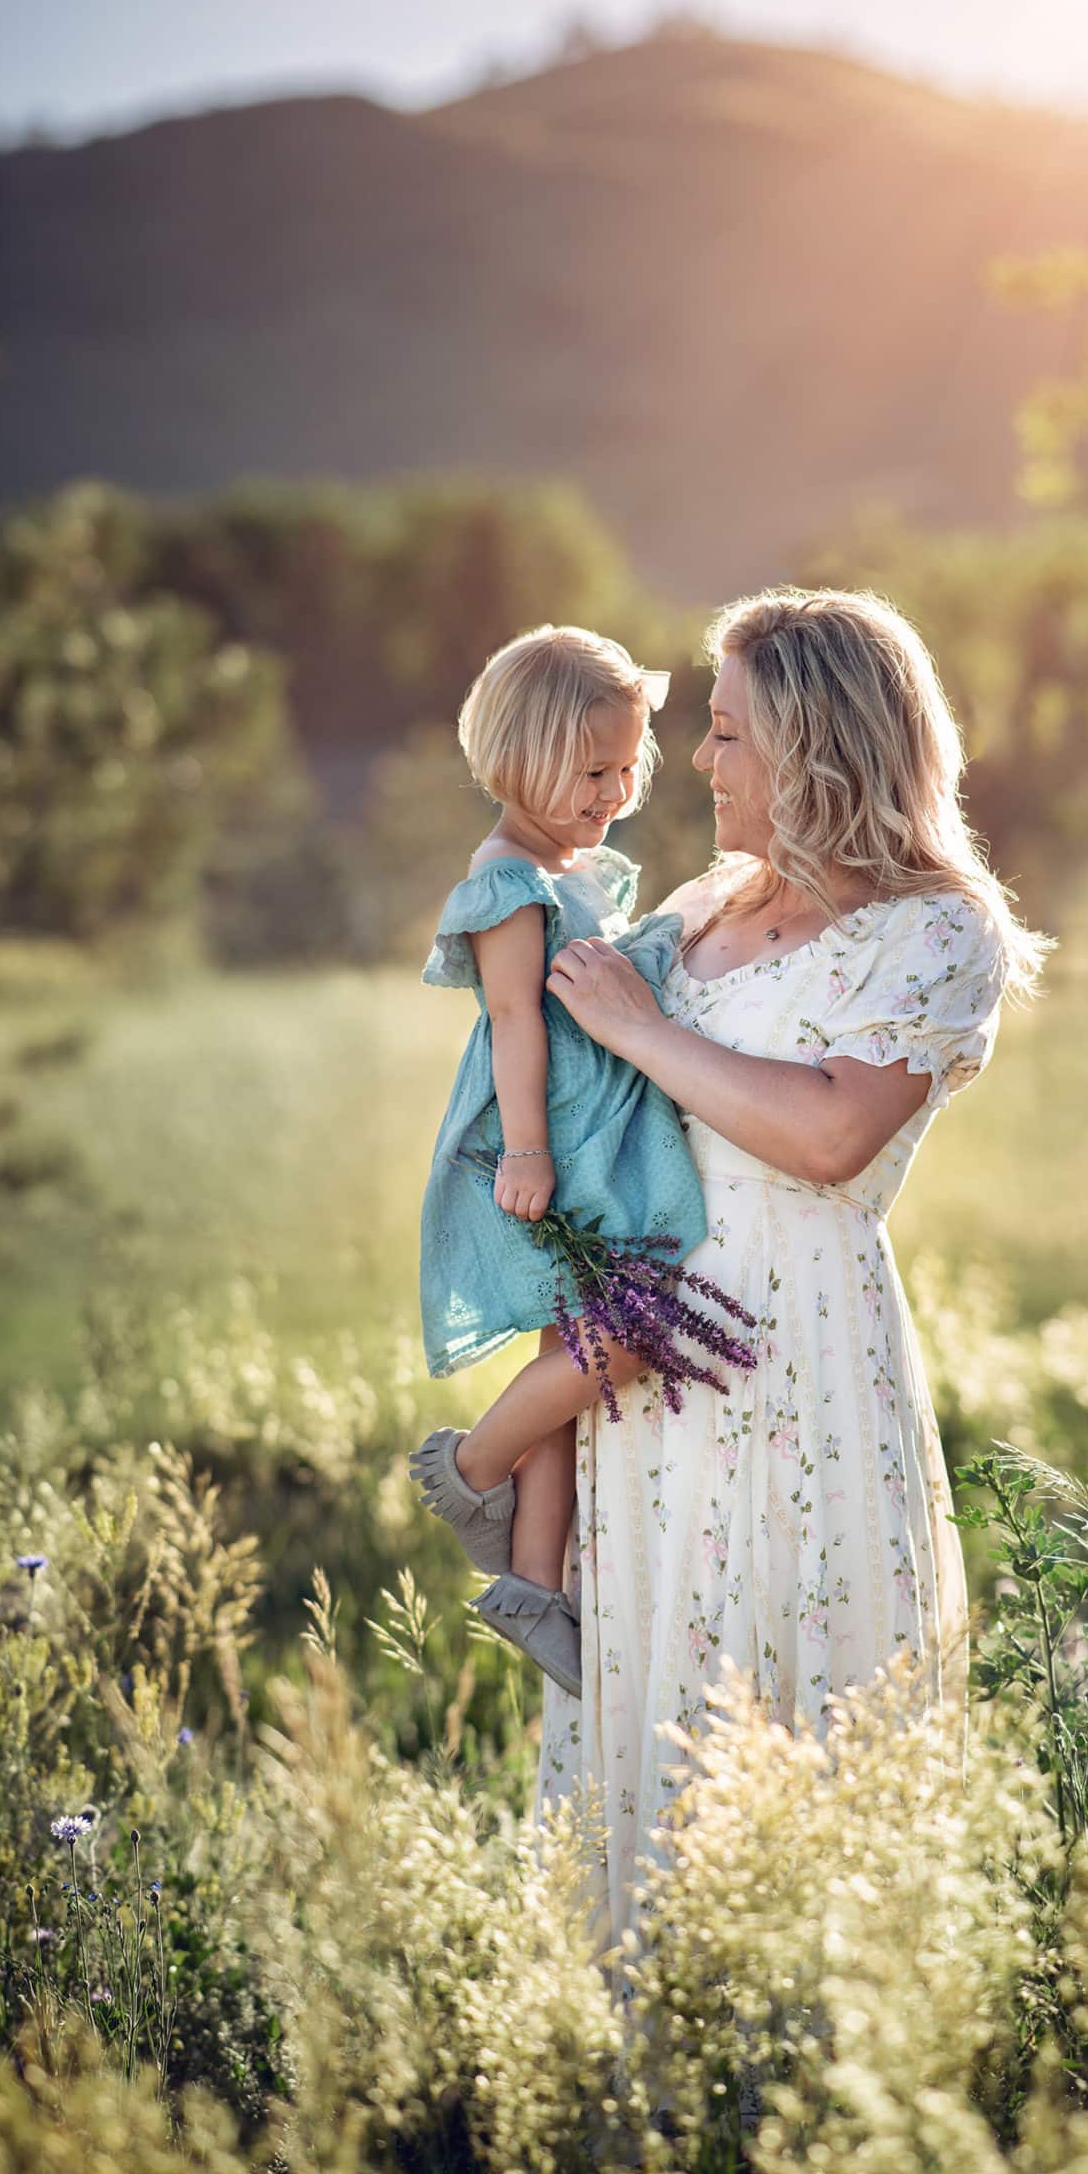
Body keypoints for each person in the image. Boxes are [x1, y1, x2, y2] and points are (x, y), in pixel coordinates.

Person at [534, 585, 1050, 1953]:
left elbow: (828, 1134)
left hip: (795, 1346)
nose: (702, 763)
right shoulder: (704, 904)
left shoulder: (939, 930)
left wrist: (644, 1034)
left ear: (819, 748)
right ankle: (639, 2068)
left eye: (729, 733)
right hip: (647, 1350)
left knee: (786, 1655)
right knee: (652, 1664)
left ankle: (808, 2079)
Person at [410, 623, 714, 1699]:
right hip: (555, 1138)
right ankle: (470, 1467)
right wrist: (530, 1149)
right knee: (622, 1340)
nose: (616, 789)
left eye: (628, 765)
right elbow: (511, 1022)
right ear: (523, 757)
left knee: (569, 1357)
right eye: (593, 769)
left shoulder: (570, 867)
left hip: (599, 1130)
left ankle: (534, 1581)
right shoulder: (507, 881)